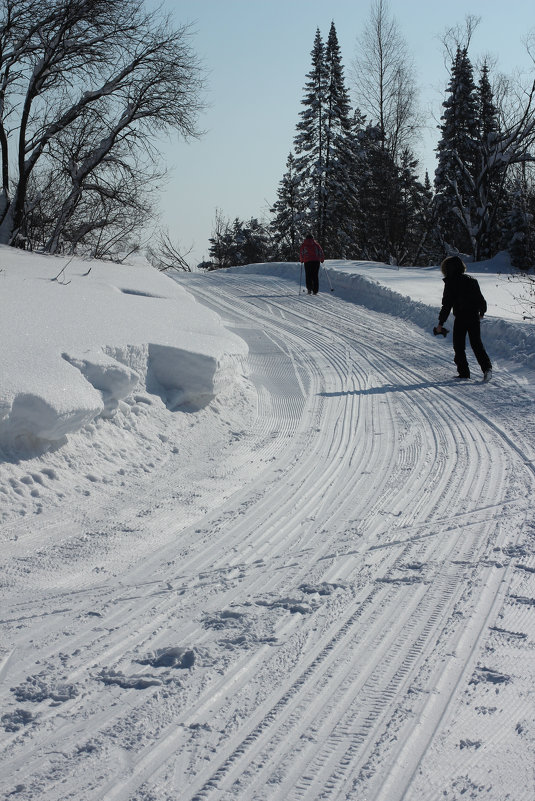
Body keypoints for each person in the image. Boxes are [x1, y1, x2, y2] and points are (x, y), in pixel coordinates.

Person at [435, 255, 492, 381]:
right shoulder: (472, 280)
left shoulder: (450, 283)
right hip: (473, 316)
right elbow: (480, 299)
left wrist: (441, 323)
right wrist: (482, 311)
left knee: (459, 345)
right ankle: (487, 369)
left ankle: (464, 372)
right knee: (477, 344)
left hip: (460, 317)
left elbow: (447, 305)